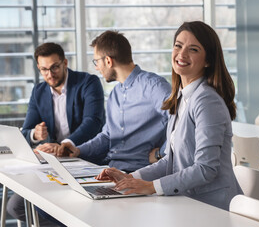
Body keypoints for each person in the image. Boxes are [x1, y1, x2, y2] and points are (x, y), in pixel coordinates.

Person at [96, 21, 243, 211]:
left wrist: (151, 187)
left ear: (208, 60)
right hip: (187, 202)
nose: (182, 54)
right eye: (178, 46)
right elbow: (169, 161)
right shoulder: (182, 97)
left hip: (212, 207)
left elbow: (205, 169)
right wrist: (131, 178)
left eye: (194, 49)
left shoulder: (207, 101)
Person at [37, 31, 171, 226]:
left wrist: (162, 153)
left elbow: (180, 120)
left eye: (96, 62)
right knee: (47, 205)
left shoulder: (153, 85)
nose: (97, 68)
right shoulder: (116, 93)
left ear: (108, 61)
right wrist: (78, 150)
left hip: (138, 173)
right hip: (111, 170)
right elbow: (107, 136)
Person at [7, 42, 106, 225]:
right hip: (54, 164)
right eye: (44, 70)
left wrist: (65, 144)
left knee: (52, 207)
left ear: (65, 63)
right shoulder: (39, 92)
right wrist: (35, 135)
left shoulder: (88, 83)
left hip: (85, 158)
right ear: (38, 68)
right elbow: (26, 130)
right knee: (16, 207)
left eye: (54, 67)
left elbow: (93, 123)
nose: (50, 75)